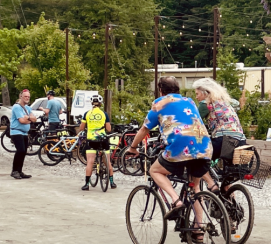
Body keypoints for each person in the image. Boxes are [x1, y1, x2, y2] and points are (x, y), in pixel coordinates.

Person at [127, 76, 212, 225]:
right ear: (177, 89)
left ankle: (176, 201)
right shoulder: (190, 101)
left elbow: (144, 129)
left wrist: (133, 147)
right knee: (195, 188)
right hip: (203, 146)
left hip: (180, 147)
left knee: (155, 171)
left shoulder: (159, 104)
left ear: (161, 90)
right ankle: (199, 228)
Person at [79, 94, 116, 191]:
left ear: (91, 103)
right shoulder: (104, 114)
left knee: (90, 162)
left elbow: (81, 128)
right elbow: (108, 129)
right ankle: (112, 183)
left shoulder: (87, 113)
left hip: (91, 139)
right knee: (107, 162)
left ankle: (86, 184)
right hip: (102, 139)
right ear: (100, 103)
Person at [10, 90, 34, 179]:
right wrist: (29, 119)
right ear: (21, 96)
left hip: (24, 133)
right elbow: (21, 120)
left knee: (24, 151)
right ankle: (14, 171)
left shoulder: (28, 108)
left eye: (28, 97)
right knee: (20, 150)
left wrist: (28, 118)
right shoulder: (17, 107)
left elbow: (34, 119)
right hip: (16, 131)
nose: (27, 98)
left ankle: (19, 171)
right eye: (25, 96)